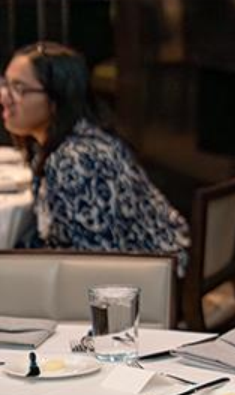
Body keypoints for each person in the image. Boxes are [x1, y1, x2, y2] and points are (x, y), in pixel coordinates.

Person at [0, 42, 190, 272]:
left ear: (57, 99)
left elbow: (97, 262)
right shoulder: (74, 137)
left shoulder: (75, 161)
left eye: (18, 88)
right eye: (5, 84)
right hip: (148, 263)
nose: (4, 96)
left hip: (147, 280)